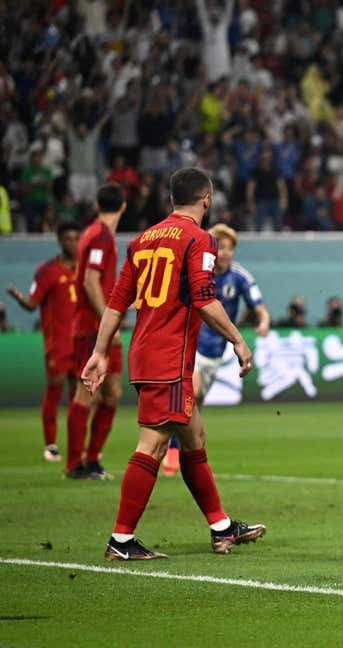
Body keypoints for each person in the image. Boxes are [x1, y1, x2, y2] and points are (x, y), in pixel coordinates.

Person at [83, 167, 266, 560]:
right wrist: (238, 339)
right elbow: (204, 299)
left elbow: (117, 302)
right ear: (207, 199)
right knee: (152, 445)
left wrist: (99, 352)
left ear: (170, 200)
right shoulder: (199, 239)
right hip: (169, 356)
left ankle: (221, 527)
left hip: (146, 351)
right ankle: (121, 539)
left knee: (193, 439)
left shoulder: (142, 240)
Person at [162, 224, 270, 476]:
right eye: (219, 247)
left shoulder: (240, 277)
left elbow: (259, 307)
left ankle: (179, 446)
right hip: (191, 344)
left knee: (193, 404)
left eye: (229, 248)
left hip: (216, 351)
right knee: (192, 392)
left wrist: (263, 323)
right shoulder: (198, 273)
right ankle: (171, 451)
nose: (224, 253)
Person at [65, 184, 126, 480]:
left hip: (100, 327)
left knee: (113, 392)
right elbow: (90, 281)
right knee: (87, 392)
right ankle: (74, 465)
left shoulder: (96, 233)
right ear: (123, 206)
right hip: (92, 329)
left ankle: (92, 461)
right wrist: (108, 322)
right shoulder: (100, 235)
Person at [7, 223, 81, 461]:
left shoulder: (86, 270)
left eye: (77, 238)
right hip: (58, 343)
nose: (74, 243)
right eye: (69, 238)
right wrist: (20, 299)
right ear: (60, 241)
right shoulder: (47, 270)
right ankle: (50, 444)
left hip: (81, 342)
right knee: (54, 390)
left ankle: (74, 445)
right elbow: (32, 304)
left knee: (78, 394)